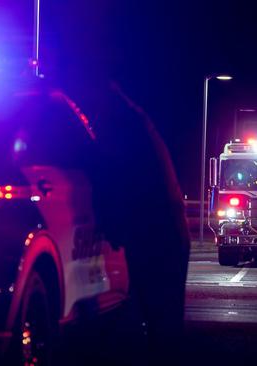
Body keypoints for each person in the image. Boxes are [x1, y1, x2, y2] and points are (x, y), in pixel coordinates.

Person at [90, 81, 190, 364]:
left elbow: (106, 175)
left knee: (144, 324)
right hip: (165, 231)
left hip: (150, 234)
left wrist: (110, 225)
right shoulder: (134, 123)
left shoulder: (119, 128)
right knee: (163, 325)